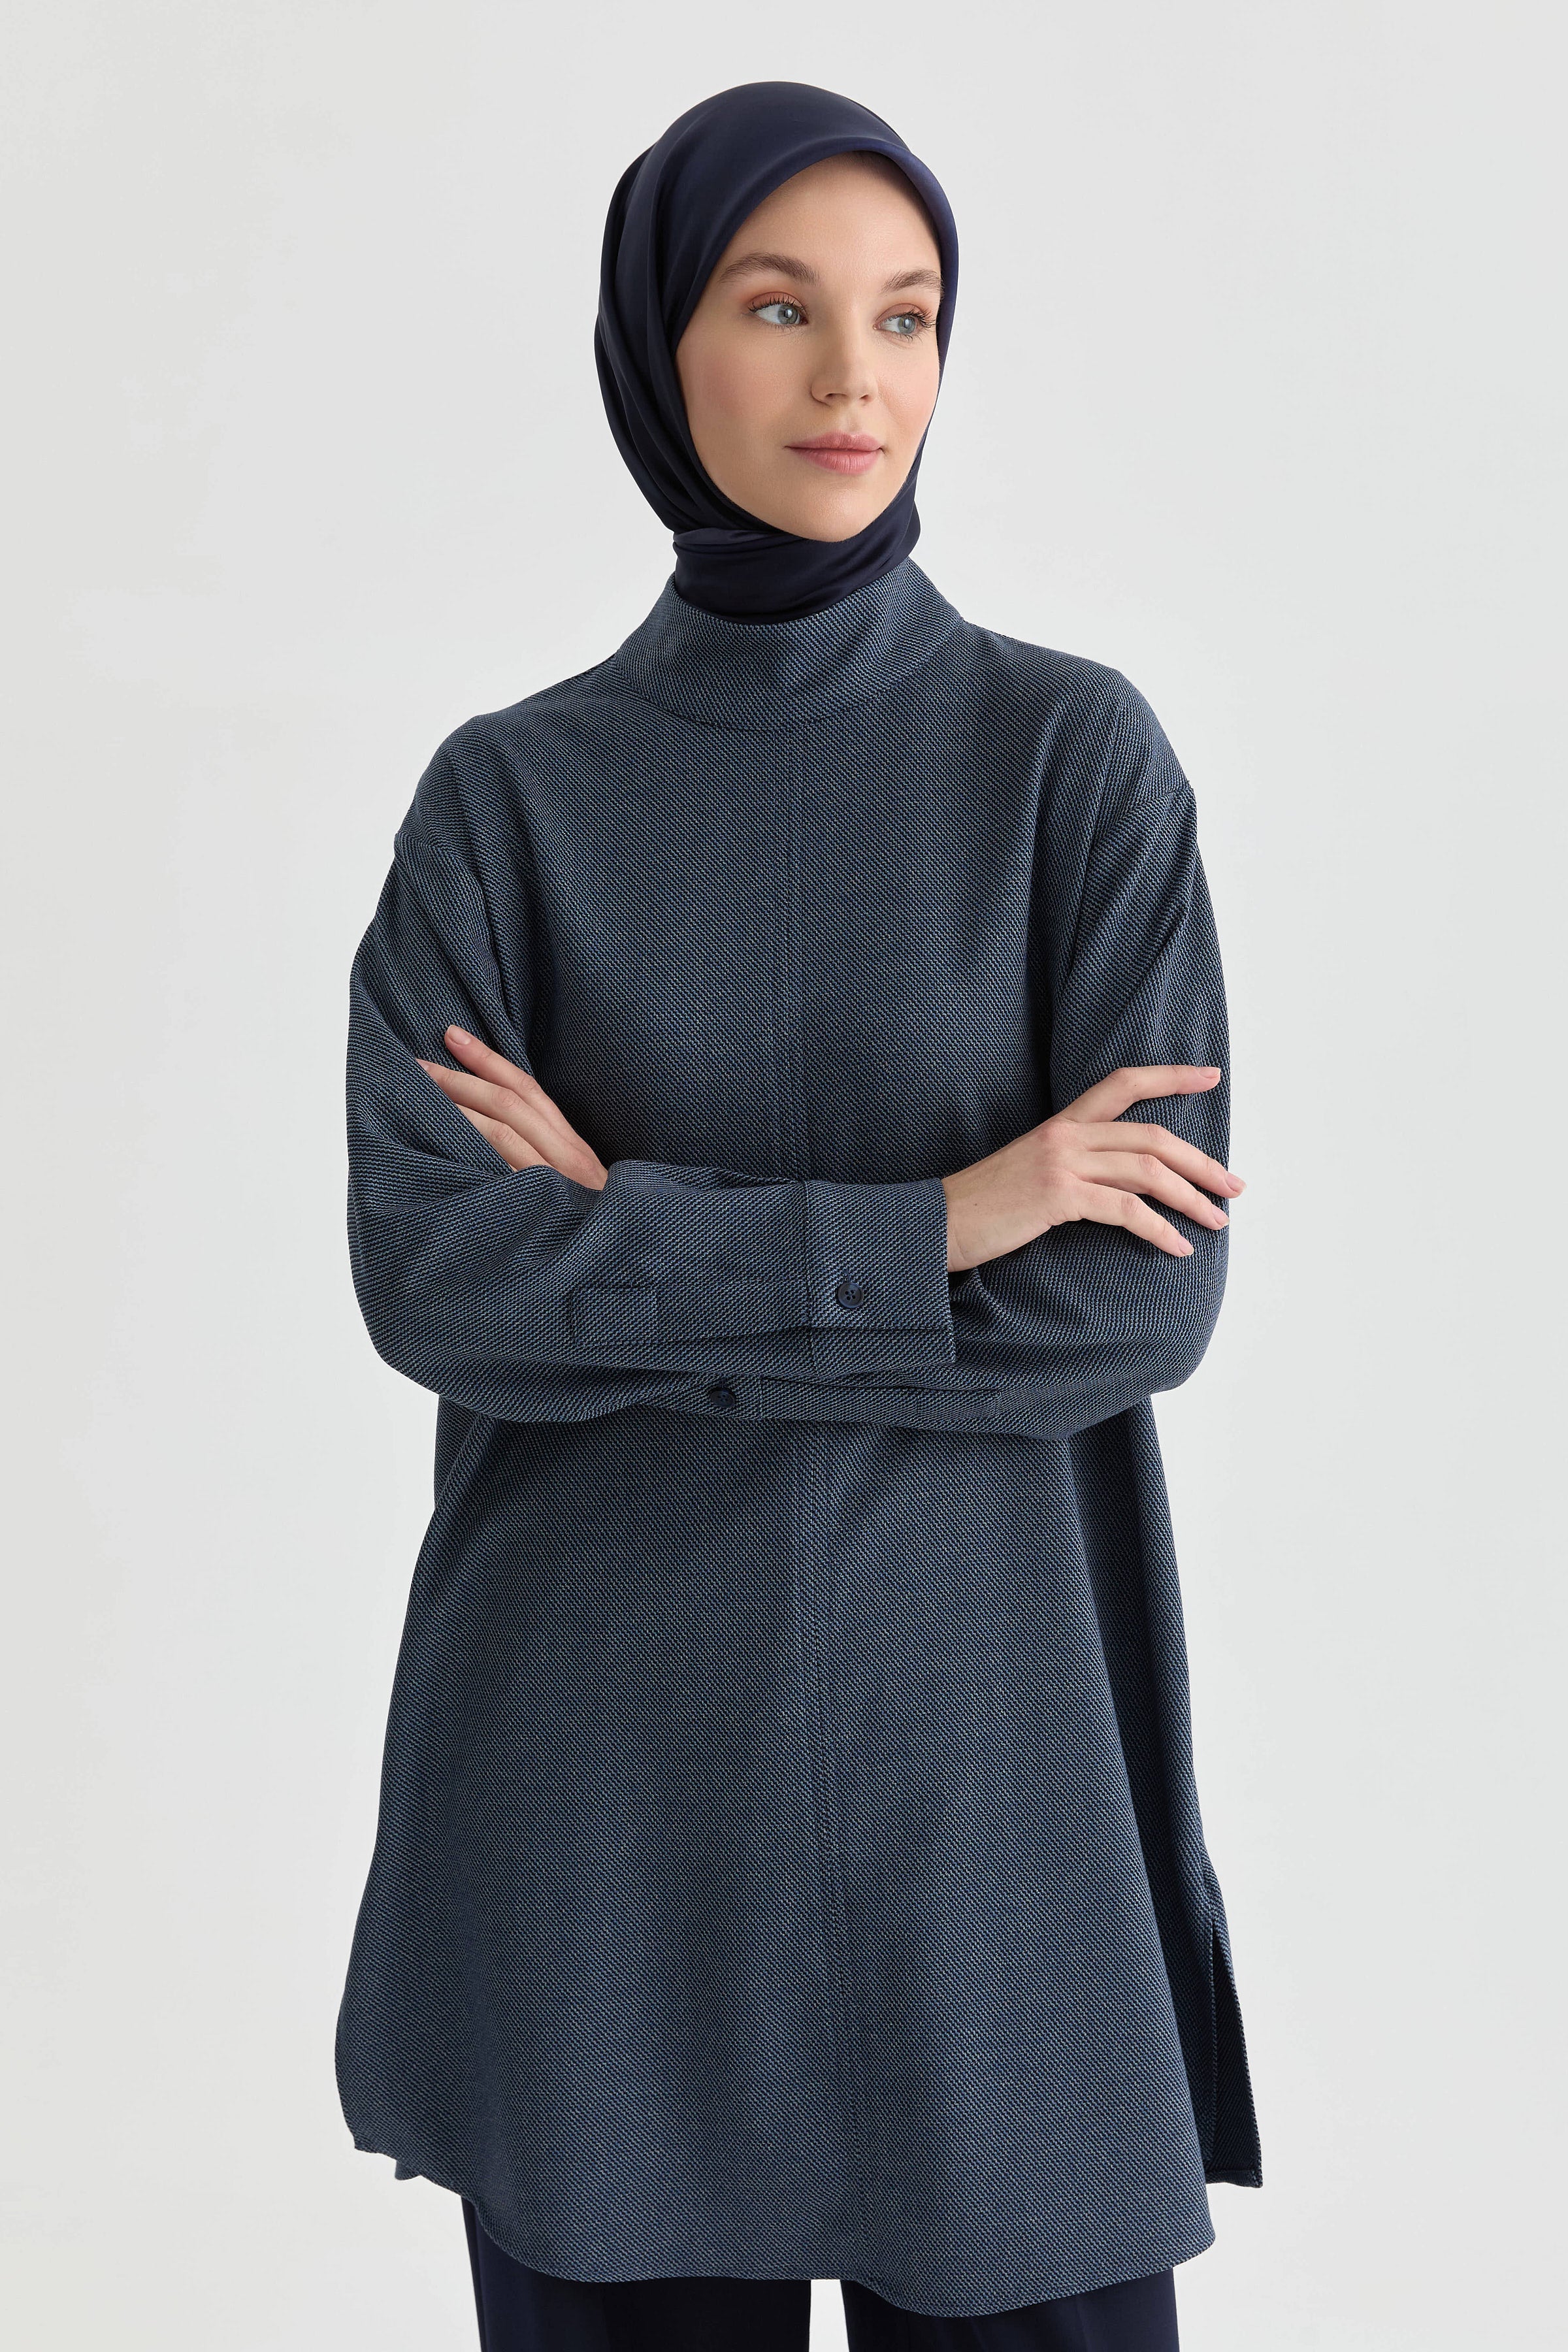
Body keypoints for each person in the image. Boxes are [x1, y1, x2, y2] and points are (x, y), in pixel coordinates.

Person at [334, 80, 1262, 2352]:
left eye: (907, 314)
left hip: (989, 1814)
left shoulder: (1072, 766)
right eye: (778, 307)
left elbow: (1130, 1312)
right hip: (596, 1825)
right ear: (661, 343)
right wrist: (942, 1219)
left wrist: (630, 1252)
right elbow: (440, 1277)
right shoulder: (508, 804)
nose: (856, 374)